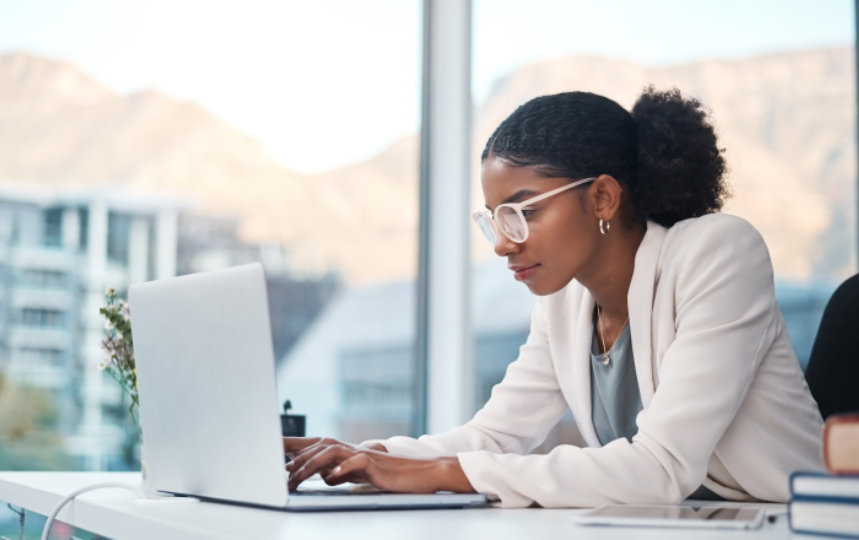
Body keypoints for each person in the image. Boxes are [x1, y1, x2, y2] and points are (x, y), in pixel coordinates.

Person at [284, 87, 824, 508]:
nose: (501, 243)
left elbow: (662, 467)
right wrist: (367, 456)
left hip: (791, 526)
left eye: (524, 212)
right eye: (494, 219)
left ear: (603, 197)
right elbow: (495, 435)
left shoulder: (719, 252)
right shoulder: (564, 300)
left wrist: (439, 473)